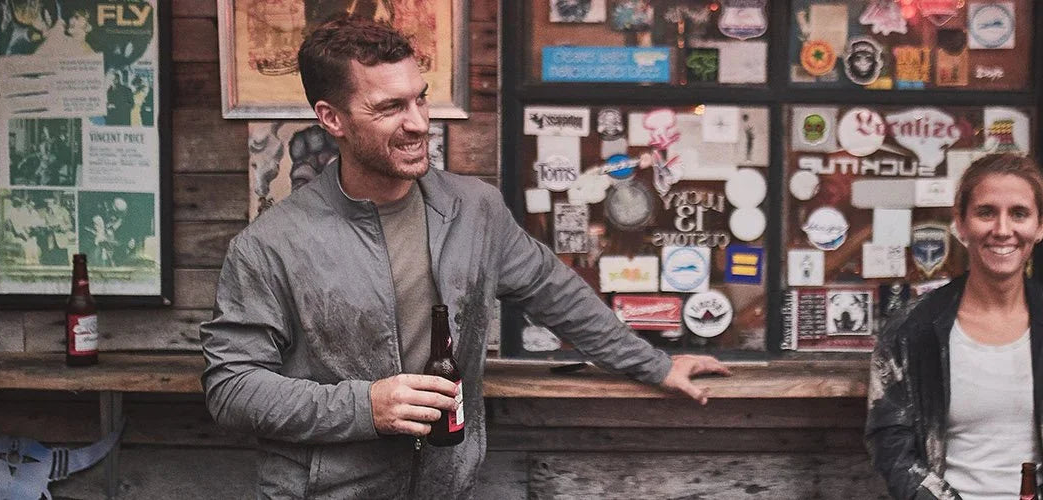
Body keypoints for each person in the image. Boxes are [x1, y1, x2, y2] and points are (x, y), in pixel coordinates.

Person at [199, 17, 729, 499]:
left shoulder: (473, 208)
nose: (417, 123)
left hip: (444, 485)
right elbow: (232, 388)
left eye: (420, 100)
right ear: (331, 118)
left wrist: (655, 365)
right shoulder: (271, 244)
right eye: (389, 108)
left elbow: (556, 294)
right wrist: (365, 407)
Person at [865, 154, 1043, 500]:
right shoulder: (912, 328)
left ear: (1041, 225)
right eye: (985, 212)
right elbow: (890, 442)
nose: (1002, 229)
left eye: (1019, 213)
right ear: (961, 224)